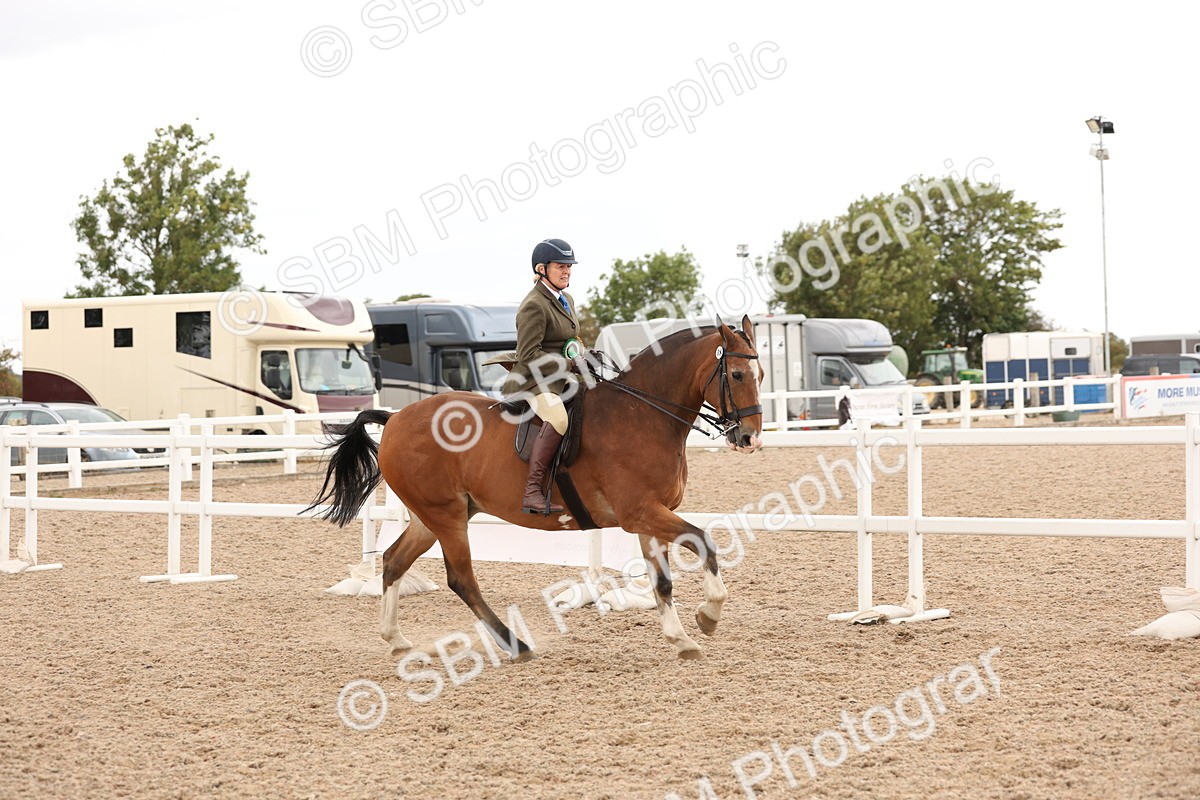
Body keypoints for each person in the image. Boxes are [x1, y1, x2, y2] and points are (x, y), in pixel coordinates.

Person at [503, 237, 581, 514]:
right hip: (534, 381)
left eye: (569, 267)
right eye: (561, 266)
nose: (566, 271)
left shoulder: (566, 299)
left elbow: (570, 337)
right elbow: (527, 354)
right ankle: (532, 491)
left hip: (563, 378)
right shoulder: (534, 305)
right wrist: (566, 363)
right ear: (541, 269)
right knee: (558, 419)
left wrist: (580, 351)